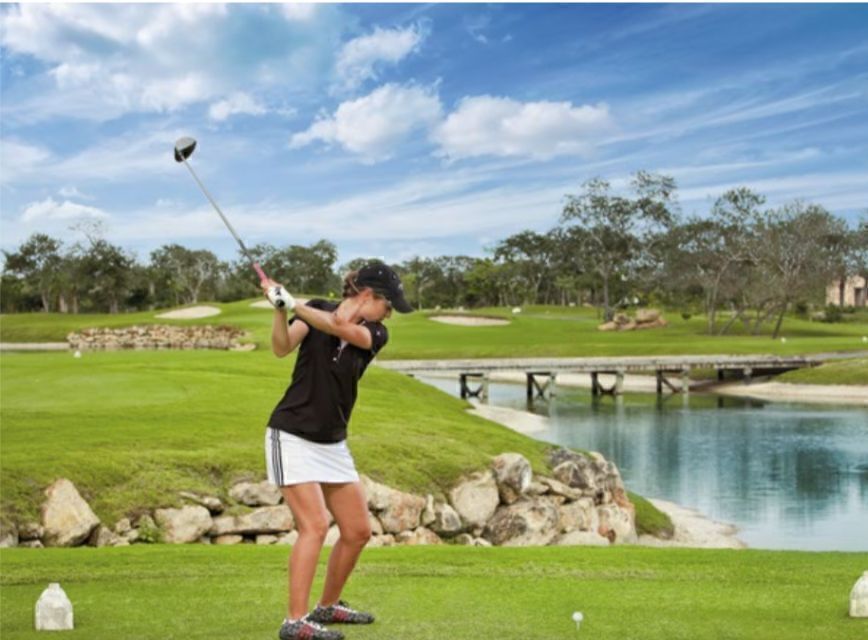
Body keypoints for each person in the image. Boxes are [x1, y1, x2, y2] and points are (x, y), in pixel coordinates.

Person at [262, 262, 413, 640]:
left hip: (333, 441)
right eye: (388, 304)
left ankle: (327, 606)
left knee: (358, 530)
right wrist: (281, 311)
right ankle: (295, 622)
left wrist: (292, 303)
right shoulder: (315, 308)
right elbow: (282, 347)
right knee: (314, 525)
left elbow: (340, 328)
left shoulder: (376, 332)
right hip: (291, 434)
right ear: (369, 295)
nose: (389, 314)